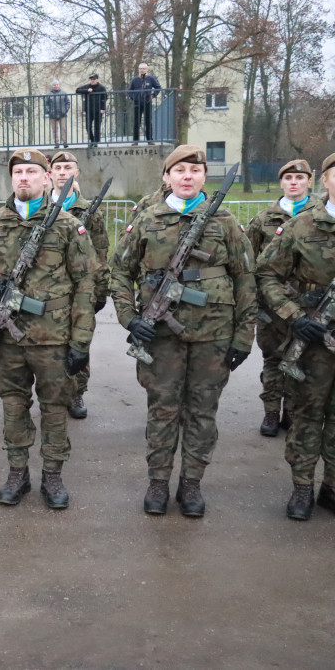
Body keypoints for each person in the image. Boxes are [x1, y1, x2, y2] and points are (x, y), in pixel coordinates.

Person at [110, 145, 256, 517]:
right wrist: (131, 318)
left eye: (195, 170)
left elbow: (245, 281)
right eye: (180, 170)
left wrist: (244, 336)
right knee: (162, 411)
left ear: (204, 176)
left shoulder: (224, 223)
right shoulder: (147, 219)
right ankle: (158, 482)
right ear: (166, 177)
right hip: (160, 337)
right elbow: (119, 272)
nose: (187, 176)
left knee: (202, 413)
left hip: (214, 336)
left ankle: (191, 484)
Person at [0, 149, 99, 510]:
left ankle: (53, 474)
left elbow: (87, 284)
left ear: (46, 178)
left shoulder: (68, 225)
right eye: (18, 172)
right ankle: (18, 471)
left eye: (31, 171)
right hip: (8, 339)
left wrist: (81, 340)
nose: (23, 177)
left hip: (54, 338)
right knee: (13, 406)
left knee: (55, 407)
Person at [255, 152, 335, 520]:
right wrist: (294, 315)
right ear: (325, 181)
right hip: (315, 341)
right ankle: (302, 487)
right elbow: (266, 272)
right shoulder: (303, 226)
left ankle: (331, 489)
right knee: (306, 415)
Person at [246, 160, 327, 437]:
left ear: (310, 181)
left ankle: (291, 413)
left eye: (300, 178)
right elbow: (253, 263)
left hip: (309, 306)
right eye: (289, 178)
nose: (294, 182)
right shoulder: (263, 219)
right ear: (281, 183)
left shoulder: (320, 215)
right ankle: (270, 412)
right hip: (273, 304)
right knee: (272, 358)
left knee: (301, 357)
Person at [48, 151, 110, 419]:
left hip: (79, 291)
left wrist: (99, 291)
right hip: (47, 291)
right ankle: (51, 393)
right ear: (49, 174)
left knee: (79, 343)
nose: (63, 172)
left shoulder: (89, 211)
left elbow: (101, 252)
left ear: (77, 173)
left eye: (68, 167)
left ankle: (77, 393)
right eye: (58, 167)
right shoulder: (39, 207)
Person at [127, 63, 161, 145]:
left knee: (148, 122)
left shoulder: (151, 79)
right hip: (137, 103)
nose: (142, 70)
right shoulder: (134, 80)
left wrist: (153, 95)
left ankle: (150, 140)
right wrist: (133, 97)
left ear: (147, 69)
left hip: (147, 102)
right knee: (136, 122)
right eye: (140, 68)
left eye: (143, 68)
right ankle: (135, 141)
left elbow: (158, 87)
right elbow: (129, 91)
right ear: (138, 70)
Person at [76, 74, 107, 145]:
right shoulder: (87, 86)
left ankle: (96, 142)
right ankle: (92, 140)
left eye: (94, 79)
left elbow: (104, 98)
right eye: (91, 79)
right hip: (89, 110)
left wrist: (103, 108)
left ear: (97, 79)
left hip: (98, 110)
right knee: (88, 126)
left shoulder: (101, 87)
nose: (92, 80)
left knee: (97, 126)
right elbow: (77, 90)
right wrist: (87, 90)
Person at [43, 80, 71, 149]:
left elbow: (68, 102)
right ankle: (56, 143)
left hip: (62, 114)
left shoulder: (63, 92)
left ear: (59, 85)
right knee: (54, 129)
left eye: (57, 84)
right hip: (53, 115)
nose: (56, 86)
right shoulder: (49, 94)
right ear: (52, 86)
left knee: (63, 128)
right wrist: (49, 111)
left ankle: (64, 142)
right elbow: (46, 104)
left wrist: (65, 110)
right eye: (54, 85)